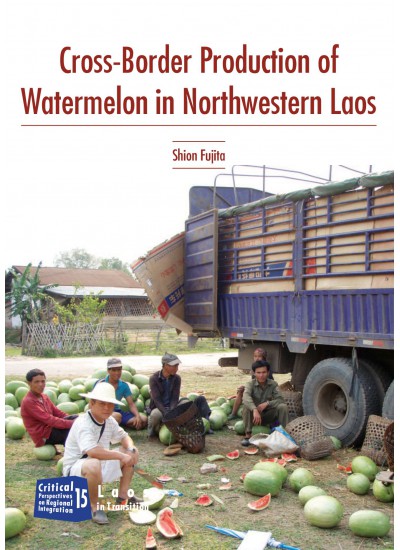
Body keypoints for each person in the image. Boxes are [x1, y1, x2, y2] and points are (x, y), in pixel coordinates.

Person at [63, 382, 140, 525]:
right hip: (76, 470)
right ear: (92, 403)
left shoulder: (109, 420)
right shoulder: (83, 423)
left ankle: (123, 496)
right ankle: (94, 506)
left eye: (110, 404)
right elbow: (92, 451)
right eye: (102, 404)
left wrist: (131, 448)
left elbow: (124, 436)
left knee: (130, 451)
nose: (106, 408)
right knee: (94, 464)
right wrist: (121, 456)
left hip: (99, 464)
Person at [148, 352, 212, 437]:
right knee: (155, 415)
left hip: (173, 406)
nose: (177, 368)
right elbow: (157, 400)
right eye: (174, 366)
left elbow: (175, 398)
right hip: (159, 407)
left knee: (187, 404)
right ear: (165, 365)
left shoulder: (177, 378)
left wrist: (172, 411)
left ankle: (196, 426)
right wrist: (166, 413)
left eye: (177, 366)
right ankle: (153, 432)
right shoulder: (154, 379)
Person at [20, 368, 78, 449]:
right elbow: (50, 420)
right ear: (29, 383)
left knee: (76, 417)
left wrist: (75, 420)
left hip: (50, 428)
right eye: (36, 382)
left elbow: (58, 413)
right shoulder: (28, 401)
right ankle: (73, 452)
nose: (41, 384)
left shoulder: (44, 397)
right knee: (71, 431)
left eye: (43, 381)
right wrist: (72, 424)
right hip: (43, 435)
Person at [241, 359, 288, 447]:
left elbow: (280, 399)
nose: (261, 375)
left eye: (264, 372)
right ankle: (248, 435)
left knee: (283, 406)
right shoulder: (249, 384)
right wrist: (254, 409)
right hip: (253, 418)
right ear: (254, 373)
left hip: (267, 416)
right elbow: (246, 397)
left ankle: (283, 434)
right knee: (246, 407)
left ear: (268, 372)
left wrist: (267, 403)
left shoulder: (273, 384)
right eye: (258, 373)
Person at [95, 358, 147, 430]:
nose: (117, 373)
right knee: (117, 416)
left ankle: (117, 424)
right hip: (103, 411)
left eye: (119, 370)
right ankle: (111, 424)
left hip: (117, 412)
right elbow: (93, 403)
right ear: (108, 371)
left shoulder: (124, 385)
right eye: (114, 370)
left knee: (143, 420)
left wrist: (137, 416)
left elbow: (131, 404)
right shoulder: (100, 384)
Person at [228, 348, 273, 420]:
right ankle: (233, 414)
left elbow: (268, 384)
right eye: (255, 356)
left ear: (263, 357)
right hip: (256, 389)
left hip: (263, 392)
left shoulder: (265, 368)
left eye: (259, 356)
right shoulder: (255, 367)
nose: (257, 358)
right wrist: (246, 388)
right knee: (240, 390)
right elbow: (254, 382)